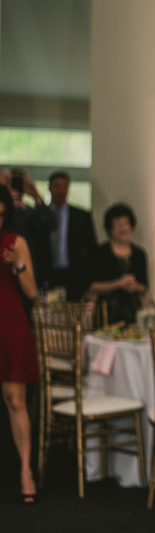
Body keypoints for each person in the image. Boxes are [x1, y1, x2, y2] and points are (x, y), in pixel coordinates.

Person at [0, 185, 39, 505]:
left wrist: (18, 265)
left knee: (16, 401)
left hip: (10, 325)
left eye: (1, 214)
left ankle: (26, 470)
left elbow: (31, 292)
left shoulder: (16, 242)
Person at [87, 203, 148, 325]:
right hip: (107, 314)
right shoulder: (99, 253)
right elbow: (92, 286)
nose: (123, 228)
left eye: (126, 223)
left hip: (133, 315)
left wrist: (134, 286)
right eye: (118, 224)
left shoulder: (139, 254)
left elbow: (144, 286)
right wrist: (119, 284)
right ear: (110, 228)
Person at [43, 170, 98, 301]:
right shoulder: (42, 215)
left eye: (65, 186)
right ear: (50, 187)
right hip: (47, 273)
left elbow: (92, 248)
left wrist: (87, 275)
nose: (61, 191)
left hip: (73, 274)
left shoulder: (81, 216)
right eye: (57, 186)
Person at [6, 168, 58, 288]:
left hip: (29, 269)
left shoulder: (29, 212)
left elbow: (50, 224)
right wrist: (8, 206)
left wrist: (36, 195)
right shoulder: (4, 212)